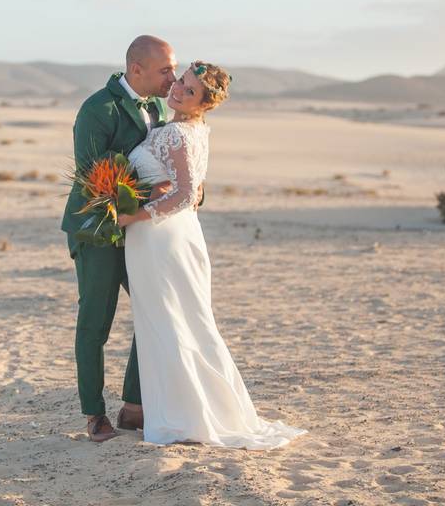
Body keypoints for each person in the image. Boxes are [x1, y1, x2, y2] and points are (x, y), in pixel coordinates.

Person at [117, 61, 307, 449]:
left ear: (203, 105)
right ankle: (176, 409)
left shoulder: (181, 134)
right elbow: (184, 189)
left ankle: (186, 416)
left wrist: (133, 214)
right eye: (182, 82)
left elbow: (188, 194)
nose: (178, 91)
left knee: (173, 322)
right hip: (168, 235)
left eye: (190, 92)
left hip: (160, 238)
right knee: (173, 321)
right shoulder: (187, 129)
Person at [61, 35, 177, 442]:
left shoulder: (161, 106)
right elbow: (94, 179)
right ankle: (94, 414)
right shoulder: (97, 109)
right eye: (165, 70)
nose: (172, 77)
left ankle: (133, 405)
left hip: (141, 231)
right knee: (96, 323)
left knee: (155, 311)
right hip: (98, 232)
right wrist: (152, 198)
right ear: (136, 69)